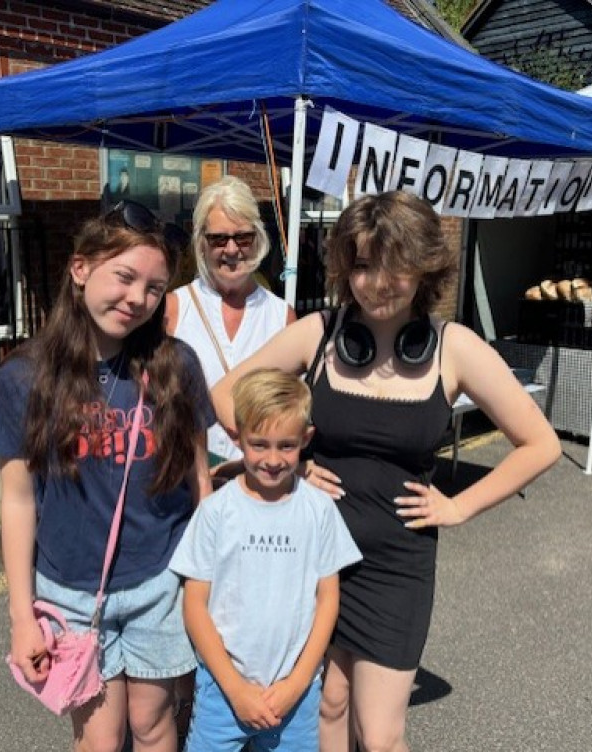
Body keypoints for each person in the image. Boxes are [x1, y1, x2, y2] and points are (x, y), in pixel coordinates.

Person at [211, 191, 562, 752]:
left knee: (379, 734)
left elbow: (539, 443)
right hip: (316, 558)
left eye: (395, 265)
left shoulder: (456, 347)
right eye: (363, 265)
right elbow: (226, 394)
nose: (377, 282)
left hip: (397, 567)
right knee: (328, 706)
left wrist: (459, 506)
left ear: (424, 267)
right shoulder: (318, 333)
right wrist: (291, 465)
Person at [0, 201, 214, 752]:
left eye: (155, 288)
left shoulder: (175, 366)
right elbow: (18, 502)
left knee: (155, 726)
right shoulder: (24, 378)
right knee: (100, 741)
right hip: (69, 593)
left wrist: (211, 585)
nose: (138, 298)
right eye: (126, 276)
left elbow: (200, 485)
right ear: (81, 268)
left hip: (159, 581)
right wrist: (23, 618)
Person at [169, 368, 361, 751]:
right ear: (237, 438)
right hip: (223, 690)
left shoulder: (319, 511)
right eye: (259, 444)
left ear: (306, 439)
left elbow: (328, 601)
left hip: (296, 693)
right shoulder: (216, 512)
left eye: (287, 446)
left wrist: (297, 683)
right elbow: (194, 604)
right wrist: (235, 688)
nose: (272, 459)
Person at [165, 176, 296, 471]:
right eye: (219, 239)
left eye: (243, 238)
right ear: (201, 243)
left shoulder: (281, 316)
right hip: (188, 476)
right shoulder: (174, 309)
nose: (232, 250)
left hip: (259, 478)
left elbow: (292, 408)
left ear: (258, 239)